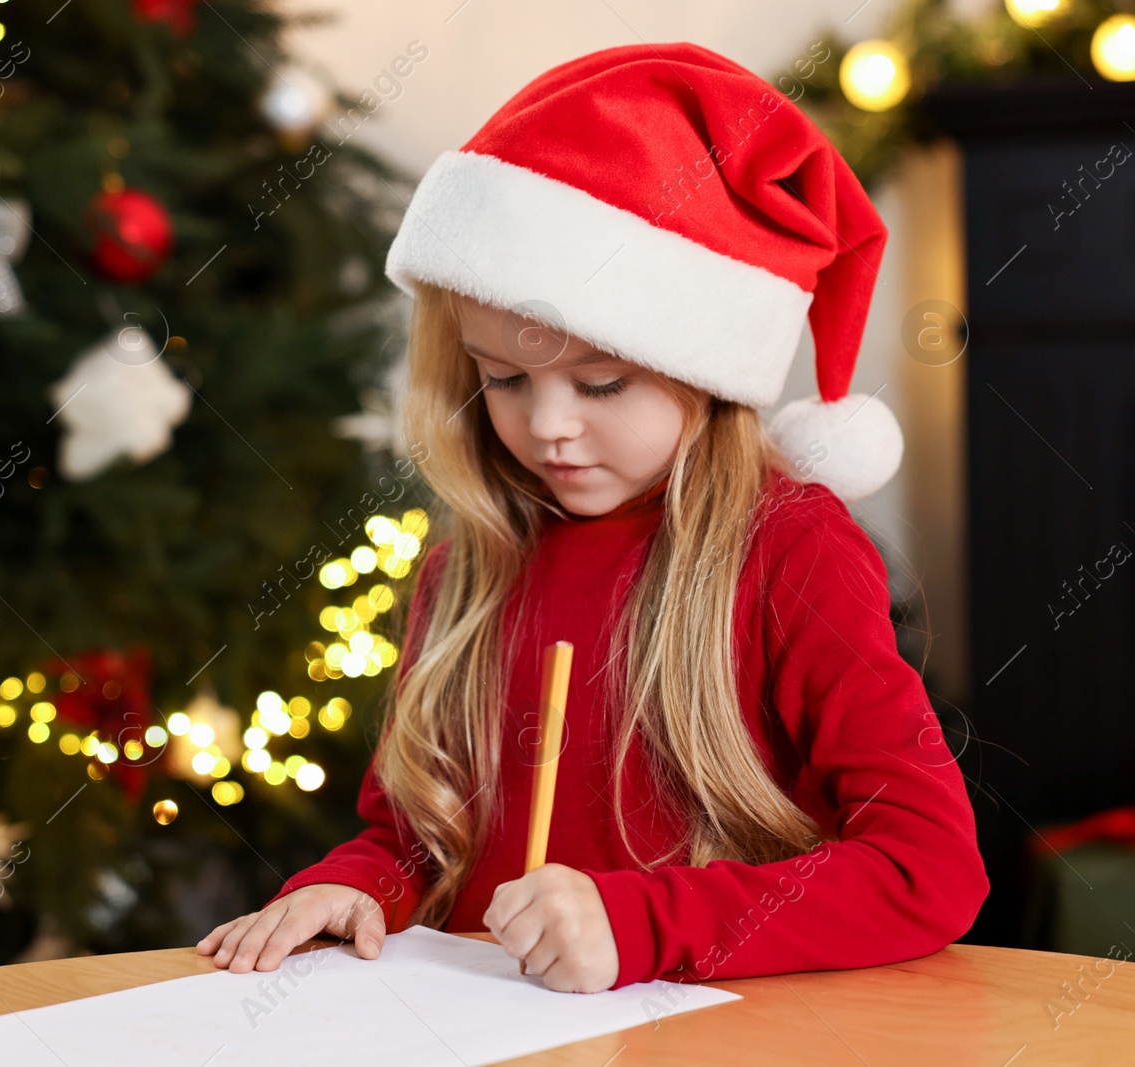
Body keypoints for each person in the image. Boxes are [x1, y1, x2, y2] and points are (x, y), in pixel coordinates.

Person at [197, 42, 987, 993]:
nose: (549, 426)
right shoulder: (467, 570)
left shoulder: (793, 549)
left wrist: (640, 922)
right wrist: (352, 885)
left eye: (602, 382)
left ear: (707, 370)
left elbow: (929, 870)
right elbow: (415, 839)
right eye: (504, 379)